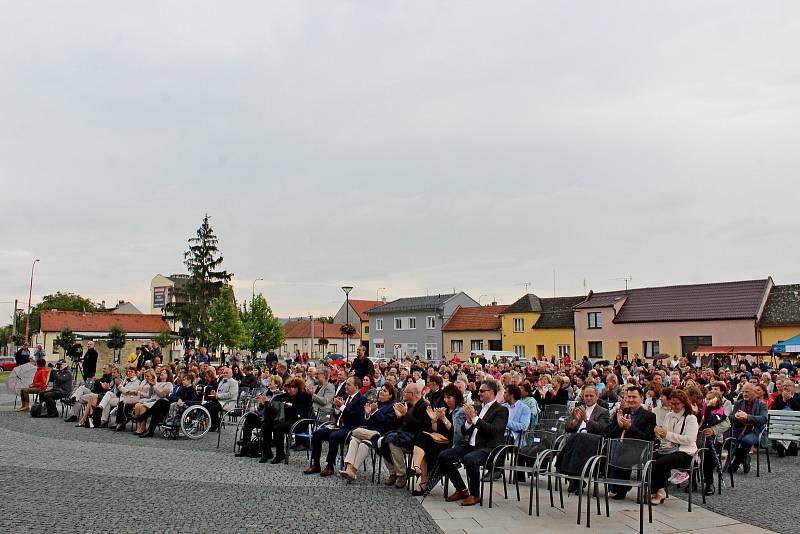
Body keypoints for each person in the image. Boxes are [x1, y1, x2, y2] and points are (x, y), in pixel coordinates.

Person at [439, 379, 509, 507]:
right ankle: (461, 489)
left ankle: (475, 494)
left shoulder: (501, 410)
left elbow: (493, 430)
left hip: (488, 448)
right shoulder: (477, 408)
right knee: (444, 456)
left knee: (469, 459)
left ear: (492, 392)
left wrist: (475, 419)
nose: (479, 393)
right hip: (471, 446)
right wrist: (468, 421)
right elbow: (464, 431)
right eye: (479, 390)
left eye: (482, 391)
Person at [409, 384, 466, 495]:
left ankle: (419, 474)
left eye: (449, 397)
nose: (446, 400)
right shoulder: (443, 409)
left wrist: (443, 418)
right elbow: (435, 430)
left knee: (422, 440)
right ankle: (419, 473)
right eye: (444, 397)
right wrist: (434, 420)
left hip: (450, 443)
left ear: (456, 397)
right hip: (438, 440)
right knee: (421, 441)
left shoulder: (460, 411)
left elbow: (456, 433)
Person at [304, 376, 366, 477]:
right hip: (338, 426)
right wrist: (337, 408)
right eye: (346, 384)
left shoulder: (362, 399)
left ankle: (329, 465)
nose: (346, 386)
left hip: (351, 428)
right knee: (317, 433)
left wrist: (341, 406)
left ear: (357, 386)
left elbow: (356, 417)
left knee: (334, 436)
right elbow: (338, 415)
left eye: (349, 384)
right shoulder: (345, 397)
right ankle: (315, 464)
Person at [339, 383, 398, 481]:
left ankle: (353, 470)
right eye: (381, 390)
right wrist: (367, 414)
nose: (381, 392)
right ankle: (349, 468)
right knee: (354, 439)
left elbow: (386, 423)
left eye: (385, 391)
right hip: (368, 432)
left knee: (363, 444)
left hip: (381, 435)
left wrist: (375, 412)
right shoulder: (376, 403)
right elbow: (366, 423)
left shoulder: (392, 406)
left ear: (391, 395)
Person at [649, 389, 699, 505]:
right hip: (670, 449)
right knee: (650, 458)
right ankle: (658, 489)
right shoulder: (669, 415)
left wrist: (667, 434)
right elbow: (666, 436)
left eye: (677, 404)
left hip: (686, 453)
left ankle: (658, 491)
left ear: (684, 403)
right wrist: (660, 434)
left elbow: (689, 439)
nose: (674, 406)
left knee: (660, 463)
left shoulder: (691, 418)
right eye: (672, 403)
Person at [606, 386, 656, 500]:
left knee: (622, 455)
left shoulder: (649, 416)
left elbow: (648, 438)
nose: (630, 400)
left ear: (641, 399)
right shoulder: (622, 412)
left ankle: (620, 489)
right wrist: (619, 426)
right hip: (618, 445)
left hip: (638, 448)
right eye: (628, 397)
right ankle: (612, 486)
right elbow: (609, 433)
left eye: (634, 397)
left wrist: (630, 427)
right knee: (608, 452)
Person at [381, 383, 432, 489]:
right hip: (405, 434)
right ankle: (393, 471)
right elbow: (404, 425)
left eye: (405, 392)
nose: (403, 394)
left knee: (392, 441)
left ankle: (401, 474)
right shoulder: (409, 404)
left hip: (417, 439)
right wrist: (400, 417)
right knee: (382, 441)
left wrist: (406, 414)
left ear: (412, 394)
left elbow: (421, 427)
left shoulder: (424, 406)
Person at [260, 377, 312, 464]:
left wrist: (293, 406)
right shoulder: (285, 396)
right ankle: (267, 452)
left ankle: (280, 454)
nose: (289, 389)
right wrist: (266, 403)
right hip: (286, 420)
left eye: (292, 387)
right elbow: (275, 403)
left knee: (278, 427)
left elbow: (305, 411)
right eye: (288, 387)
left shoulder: (305, 396)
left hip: (299, 422)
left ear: (298, 388)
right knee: (266, 425)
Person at [728, 382, 768, 474]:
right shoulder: (739, 403)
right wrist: (736, 416)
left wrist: (747, 417)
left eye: (747, 391)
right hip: (738, 429)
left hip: (754, 431)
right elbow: (731, 417)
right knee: (725, 441)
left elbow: (764, 419)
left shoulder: (762, 404)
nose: (744, 394)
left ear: (754, 392)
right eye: (743, 392)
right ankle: (744, 457)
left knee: (747, 441)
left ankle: (736, 462)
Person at [769, 379, 800, 457]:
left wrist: (790, 399)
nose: (785, 387)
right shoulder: (779, 397)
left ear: (793, 387)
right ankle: (782, 446)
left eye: (788, 385)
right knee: (777, 426)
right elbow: (774, 409)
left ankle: (781, 445)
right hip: (780, 420)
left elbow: (798, 408)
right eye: (784, 386)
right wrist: (783, 401)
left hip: (794, 421)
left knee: (790, 426)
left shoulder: (798, 396)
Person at [204, 366, 239, 432]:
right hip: (219, 400)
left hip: (228, 402)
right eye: (224, 373)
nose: (225, 374)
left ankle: (215, 424)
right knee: (206, 406)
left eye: (227, 373)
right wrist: (214, 393)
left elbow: (230, 395)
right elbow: (219, 391)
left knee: (212, 408)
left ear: (231, 374)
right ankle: (217, 420)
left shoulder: (234, 382)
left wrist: (217, 395)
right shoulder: (222, 381)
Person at [110, 365, 142, 430]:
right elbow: (120, 388)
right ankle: (106, 420)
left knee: (121, 403)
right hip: (122, 397)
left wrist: (123, 389)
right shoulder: (126, 380)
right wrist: (123, 386)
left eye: (131, 372)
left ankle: (119, 422)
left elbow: (130, 392)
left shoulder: (137, 382)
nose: (129, 373)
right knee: (109, 398)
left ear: (135, 373)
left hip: (131, 399)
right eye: (128, 372)